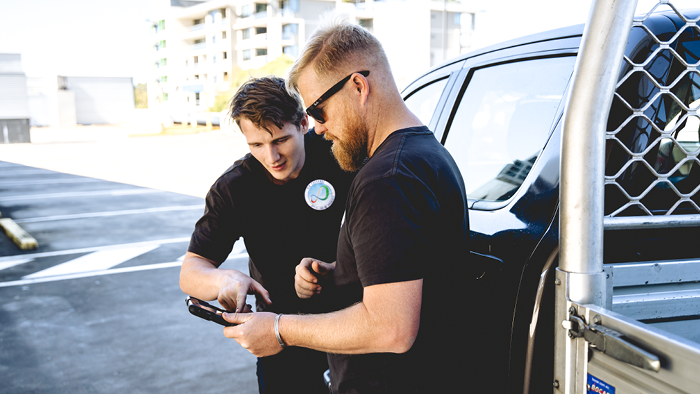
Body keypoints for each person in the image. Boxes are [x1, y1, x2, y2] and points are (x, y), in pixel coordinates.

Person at [222, 18, 472, 394]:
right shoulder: (425, 154)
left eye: (318, 112)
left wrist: (277, 329)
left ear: (358, 86)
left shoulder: (387, 179)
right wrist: (342, 271)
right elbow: (412, 265)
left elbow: (391, 328)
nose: (318, 128)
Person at [179, 76, 354, 394]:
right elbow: (191, 271)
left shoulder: (338, 154)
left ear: (303, 123)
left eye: (280, 140)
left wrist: (334, 272)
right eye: (257, 145)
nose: (271, 157)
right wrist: (225, 280)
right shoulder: (234, 188)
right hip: (280, 339)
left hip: (353, 325)